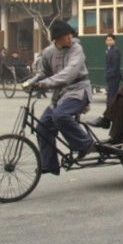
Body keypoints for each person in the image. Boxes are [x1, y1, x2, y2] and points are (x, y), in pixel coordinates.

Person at [23, 21, 94, 176]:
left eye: (70, 35)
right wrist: (32, 82)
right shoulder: (48, 52)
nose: (69, 38)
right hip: (60, 95)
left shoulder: (77, 49)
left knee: (60, 115)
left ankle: (85, 144)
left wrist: (44, 84)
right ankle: (49, 164)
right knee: (42, 126)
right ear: (56, 39)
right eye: (65, 36)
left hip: (78, 91)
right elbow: (42, 72)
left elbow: (69, 73)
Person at [104, 34, 122, 107]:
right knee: (110, 95)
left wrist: (110, 74)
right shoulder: (108, 50)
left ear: (114, 41)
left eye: (110, 40)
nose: (109, 41)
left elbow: (115, 65)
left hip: (114, 76)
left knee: (112, 95)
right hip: (110, 76)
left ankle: (111, 111)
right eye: (107, 40)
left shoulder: (115, 50)